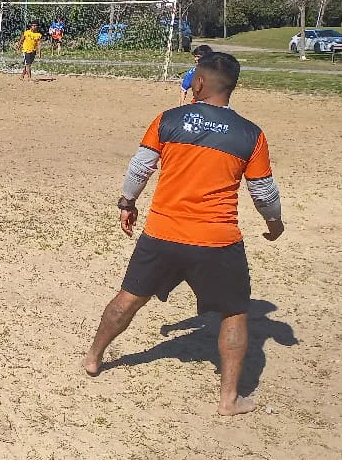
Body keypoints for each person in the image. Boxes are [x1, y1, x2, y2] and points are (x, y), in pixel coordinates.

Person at [82, 52, 285, 416]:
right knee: (235, 313)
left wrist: (127, 202)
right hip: (217, 242)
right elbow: (264, 192)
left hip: (162, 233)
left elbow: (140, 168)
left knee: (128, 298)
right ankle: (228, 400)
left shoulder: (168, 120)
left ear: (201, 84)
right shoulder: (251, 135)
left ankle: (93, 357)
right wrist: (274, 223)